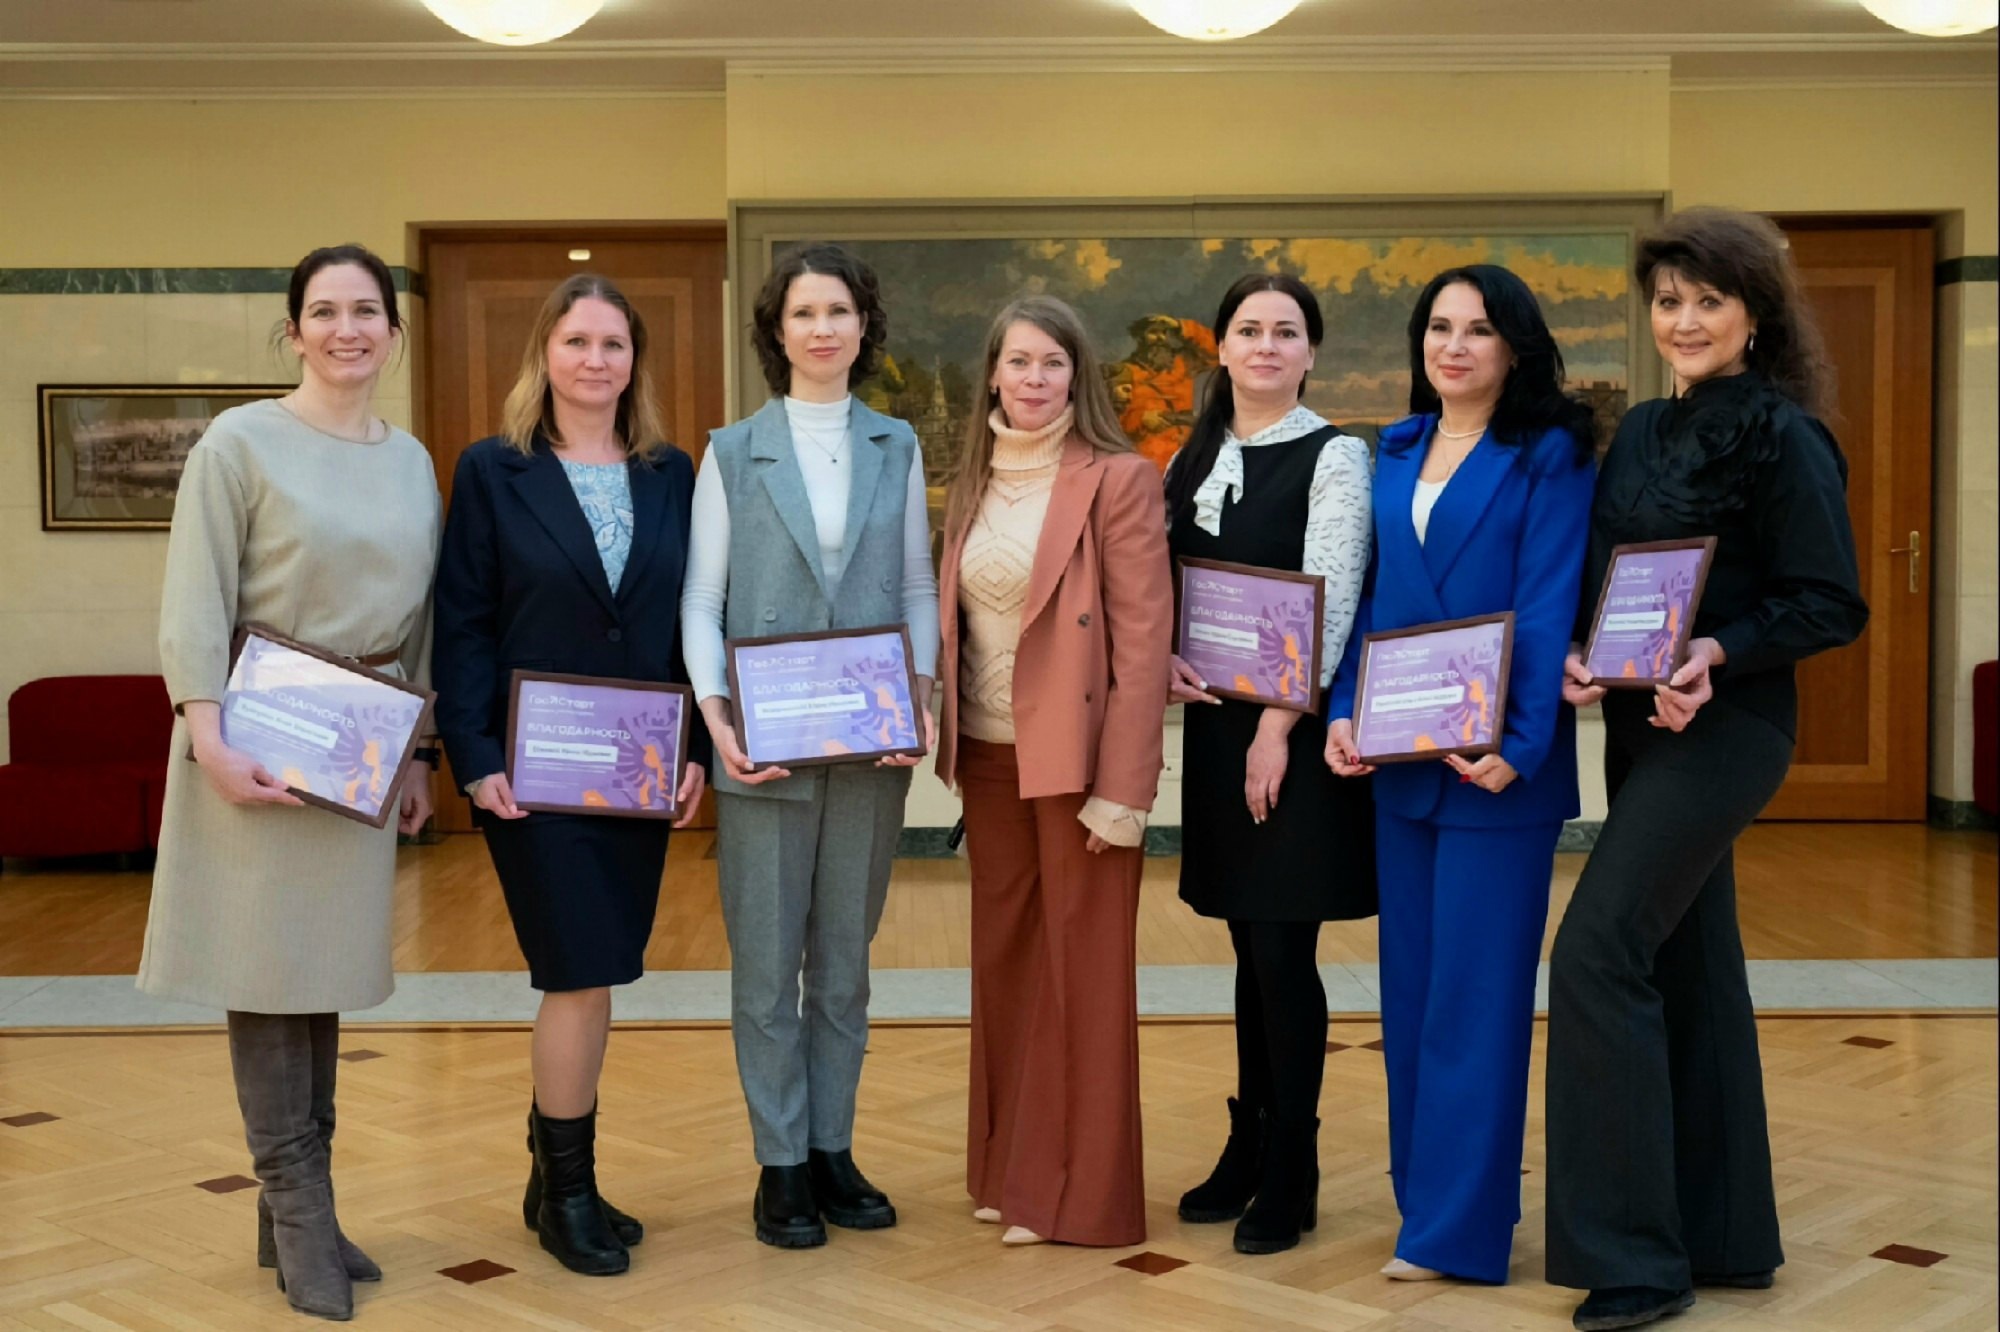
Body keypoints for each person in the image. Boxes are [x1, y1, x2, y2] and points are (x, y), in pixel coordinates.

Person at [1544, 208, 1867, 1331]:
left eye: (1708, 301)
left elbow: (1829, 603)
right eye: (1668, 301)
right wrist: (1584, 655)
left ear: (1753, 315)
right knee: (1691, 967)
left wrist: (1717, 652)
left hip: (1728, 734)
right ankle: (1726, 1237)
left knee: (1594, 952)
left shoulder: (1786, 436)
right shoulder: (1636, 431)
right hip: (1640, 729)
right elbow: (1609, 584)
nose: (1683, 321)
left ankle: (1635, 1262)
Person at [138, 243, 439, 1321]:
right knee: (265, 976)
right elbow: (193, 597)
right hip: (257, 742)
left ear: (394, 332)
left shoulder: (412, 461)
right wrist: (206, 736)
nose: (346, 329)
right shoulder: (238, 443)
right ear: (293, 331)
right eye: (324, 311)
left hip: (358, 750)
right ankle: (302, 1214)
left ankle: (294, 1211)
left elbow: (421, 621)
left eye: (365, 311)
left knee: (318, 978)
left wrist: (420, 755)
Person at [1324, 265, 1598, 1285]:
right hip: (1401, 763)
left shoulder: (1551, 455)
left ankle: (1460, 1234)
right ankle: (1423, 1209)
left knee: (1475, 1006)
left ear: (1513, 346)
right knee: (1411, 998)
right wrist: (1345, 709)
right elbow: (1371, 601)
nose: (1453, 345)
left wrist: (1519, 744)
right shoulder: (1393, 449)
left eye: (1477, 329)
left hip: (1496, 771)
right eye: (1437, 327)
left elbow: (1546, 596)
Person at [431, 274, 706, 1277]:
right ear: (544, 353)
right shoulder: (492, 470)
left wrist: (695, 749)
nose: (595, 359)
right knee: (577, 972)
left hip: (637, 766)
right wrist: (474, 758)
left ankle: (552, 1178)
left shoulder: (671, 473)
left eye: (613, 344)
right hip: (535, 772)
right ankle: (570, 1196)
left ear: (635, 362)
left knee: (601, 971)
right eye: (577, 341)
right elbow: (463, 621)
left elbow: (692, 621)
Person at [680, 242, 941, 1249]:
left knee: (842, 966)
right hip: (763, 748)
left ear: (863, 327)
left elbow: (915, 587)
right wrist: (716, 717)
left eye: (839, 311)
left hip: (869, 754)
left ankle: (833, 1147)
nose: (822, 328)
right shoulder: (731, 450)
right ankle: (779, 1162)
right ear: (776, 331)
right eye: (803, 313)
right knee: (764, 969)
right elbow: (702, 601)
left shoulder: (895, 445)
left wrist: (917, 696)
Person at [933, 295, 1172, 1248]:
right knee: (1005, 962)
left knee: (1083, 973)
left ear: (1079, 377)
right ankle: (1006, 1171)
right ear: (992, 373)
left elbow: (1145, 646)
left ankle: (1076, 1196)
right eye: (1018, 361)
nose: (1034, 379)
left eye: (1053, 363)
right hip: (989, 757)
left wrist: (1125, 789)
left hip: (1080, 764)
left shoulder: (1118, 479)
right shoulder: (972, 480)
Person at [1165, 272, 1375, 1256]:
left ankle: (1293, 1165)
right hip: (1217, 730)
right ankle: (1247, 1142)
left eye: (1284, 331)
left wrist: (1277, 727)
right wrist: (1165, 656)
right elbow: (1167, 584)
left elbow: (1329, 592)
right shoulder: (1192, 455)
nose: (1264, 345)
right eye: (1247, 329)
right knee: (1249, 949)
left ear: (1309, 352)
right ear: (1221, 346)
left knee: (1285, 950)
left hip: (1288, 734)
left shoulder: (1335, 456)